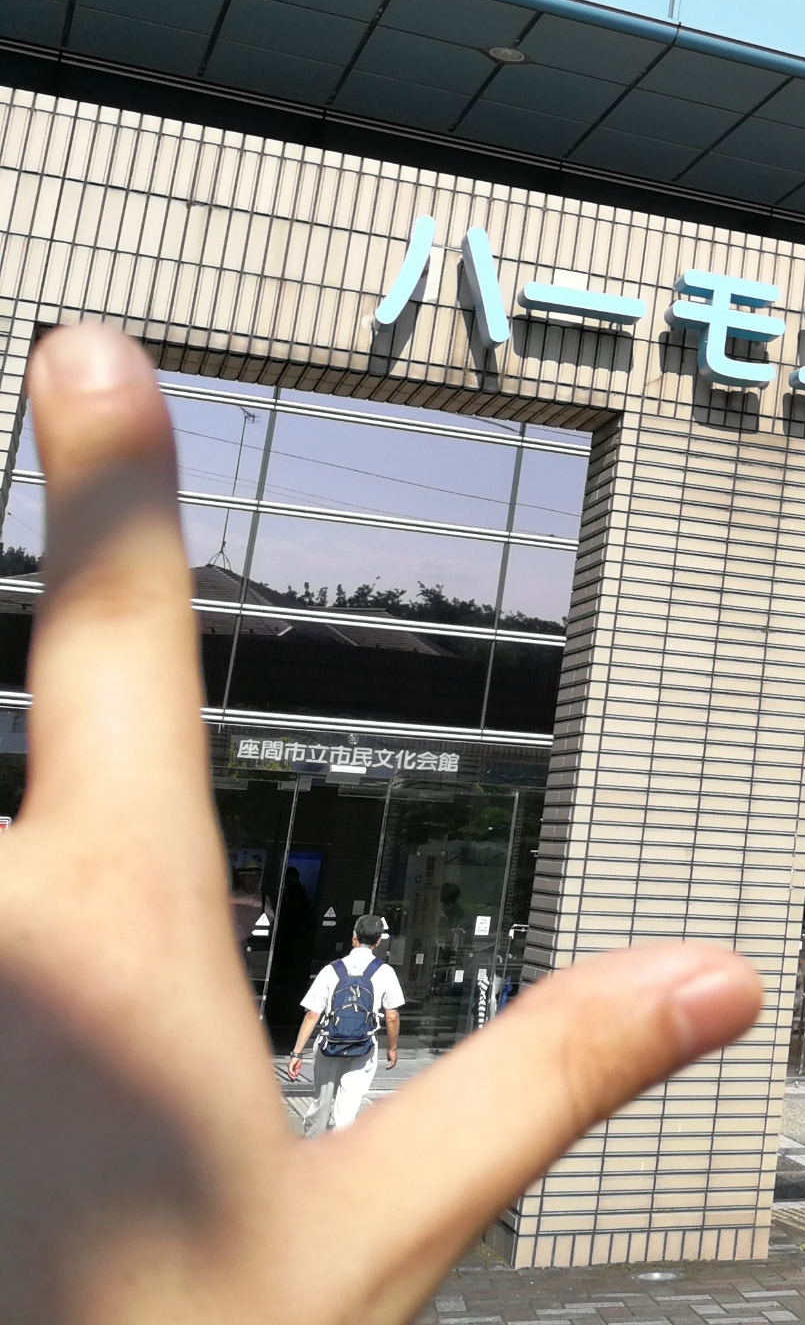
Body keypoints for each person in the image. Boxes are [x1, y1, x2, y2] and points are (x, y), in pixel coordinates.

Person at [0, 323, 764, 1325]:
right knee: (338, 1110)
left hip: (309, 1060)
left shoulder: (324, 967)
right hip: (325, 1083)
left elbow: (312, 1010)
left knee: (325, 1104)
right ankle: (310, 1167)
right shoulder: (365, 966)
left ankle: (308, 1155)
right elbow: (379, 1018)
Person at [285, 915, 407, 1134]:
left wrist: (297, 1053)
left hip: (329, 1044)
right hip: (363, 1047)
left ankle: (313, 1145)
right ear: (378, 941)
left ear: (353, 937)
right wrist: (392, 1048)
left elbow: (312, 1014)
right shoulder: (385, 972)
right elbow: (392, 1016)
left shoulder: (331, 970)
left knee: (321, 1102)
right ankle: (339, 1149)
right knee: (348, 1107)